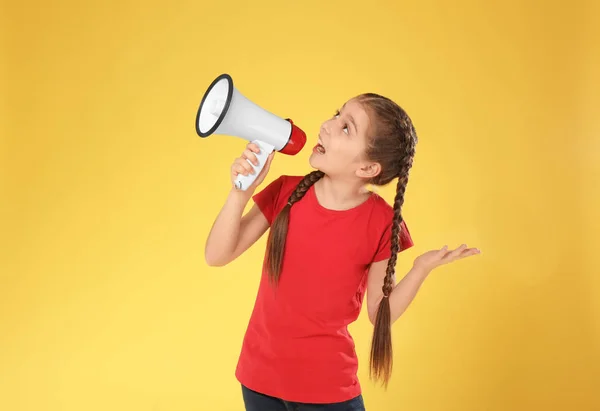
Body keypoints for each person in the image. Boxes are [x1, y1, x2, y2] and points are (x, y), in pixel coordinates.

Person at [205, 93, 480, 410]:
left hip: (327, 390)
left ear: (367, 167)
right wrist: (241, 191)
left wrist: (419, 269)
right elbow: (217, 255)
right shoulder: (286, 191)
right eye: (336, 114)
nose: (327, 125)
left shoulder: (382, 223)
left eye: (346, 127)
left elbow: (379, 314)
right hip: (258, 381)